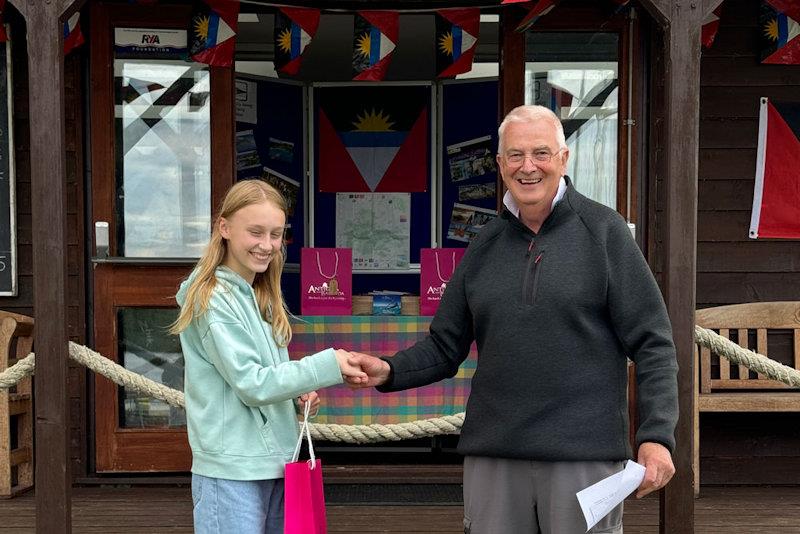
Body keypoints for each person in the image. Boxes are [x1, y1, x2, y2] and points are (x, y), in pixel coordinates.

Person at [348, 105, 679, 533]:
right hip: (495, 453)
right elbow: (445, 346)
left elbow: (654, 343)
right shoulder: (484, 244)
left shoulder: (605, 232)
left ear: (563, 158)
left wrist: (657, 435)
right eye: (515, 155)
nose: (528, 167)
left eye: (541, 153)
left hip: (583, 456)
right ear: (500, 165)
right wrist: (389, 369)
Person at [171, 179, 366, 534]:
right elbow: (252, 385)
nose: (266, 245)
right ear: (225, 228)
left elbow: (265, 378)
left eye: (276, 234)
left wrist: (295, 395)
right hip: (232, 471)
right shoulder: (212, 298)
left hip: (275, 462)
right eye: (256, 232)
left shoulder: (258, 294)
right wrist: (328, 364)